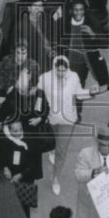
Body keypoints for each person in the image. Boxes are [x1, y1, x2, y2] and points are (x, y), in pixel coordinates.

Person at [37, 55, 91, 196]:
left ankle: (55, 179)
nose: (61, 73)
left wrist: (91, 92)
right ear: (54, 68)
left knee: (62, 150)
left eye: (63, 70)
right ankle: (52, 150)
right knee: (53, 143)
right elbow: (37, 94)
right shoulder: (45, 78)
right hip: (51, 119)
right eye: (58, 70)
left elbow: (79, 94)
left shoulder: (74, 77)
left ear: (67, 69)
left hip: (68, 120)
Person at [0, 118, 44, 218]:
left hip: (25, 179)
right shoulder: (0, 139)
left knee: (24, 209)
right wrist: (4, 167)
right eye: (15, 131)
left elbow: (34, 162)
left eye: (20, 129)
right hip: (7, 179)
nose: (19, 133)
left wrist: (21, 174)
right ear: (8, 130)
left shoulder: (30, 140)